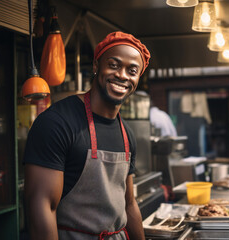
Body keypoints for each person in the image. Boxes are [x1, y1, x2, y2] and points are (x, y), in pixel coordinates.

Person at [23, 31, 150, 240]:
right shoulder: (56, 123)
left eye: (132, 70)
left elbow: (129, 204)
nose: (122, 75)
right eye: (114, 64)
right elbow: (41, 206)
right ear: (95, 66)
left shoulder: (127, 134)